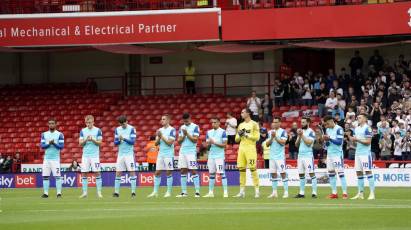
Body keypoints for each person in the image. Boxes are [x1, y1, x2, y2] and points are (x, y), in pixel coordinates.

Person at [234, 108, 260, 198]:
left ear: (248, 113)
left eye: (243, 112)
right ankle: (242, 191)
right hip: (241, 148)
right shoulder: (240, 125)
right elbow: (236, 139)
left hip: (250, 148)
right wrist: (240, 135)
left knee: (253, 169)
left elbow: (257, 137)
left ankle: (257, 191)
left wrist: (246, 135)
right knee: (241, 169)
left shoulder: (254, 124)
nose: (241, 114)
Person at [148, 115, 176, 198]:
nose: (162, 120)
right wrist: (158, 137)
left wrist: (161, 136)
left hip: (168, 154)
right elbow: (156, 144)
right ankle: (155, 192)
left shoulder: (172, 130)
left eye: (164, 119)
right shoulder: (159, 130)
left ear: (168, 120)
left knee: (168, 172)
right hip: (160, 154)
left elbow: (169, 143)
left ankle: (168, 192)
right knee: (157, 172)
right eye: (161, 119)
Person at [350, 113, 375, 200]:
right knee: (359, 173)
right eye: (358, 118)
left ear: (365, 119)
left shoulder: (368, 128)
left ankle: (372, 193)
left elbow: (368, 142)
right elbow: (357, 142)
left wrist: (357, 139)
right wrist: (353, 140)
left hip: (365, 153)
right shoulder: (356, 128)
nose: (358, 119)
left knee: (368, 172)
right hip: (358, 153)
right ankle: (360, 193)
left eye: (360, 117)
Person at [322, 115, 348, 199]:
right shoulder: (328, 129)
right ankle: (334, 193)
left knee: (341, 174)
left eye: (326, 123)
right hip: (329, 154)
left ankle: (344, 193)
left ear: (331, 121)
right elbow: (328, 144)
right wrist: (325, 141)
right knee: (331, 174)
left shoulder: (339, 129)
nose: (326, 125)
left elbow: (339, 142)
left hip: (337, 154)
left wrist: (329, 139)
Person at [203, 117, 229, 198]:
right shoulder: (209, 132)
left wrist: (214, 142)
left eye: (215, 122)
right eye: (212, 122)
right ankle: (210, 192)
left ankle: (225, 192)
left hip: (219, 156)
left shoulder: (223, 132)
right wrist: (208, 144)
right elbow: (207, 146)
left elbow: (224, 145)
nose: (213, 124)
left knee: (222, 173)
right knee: (211, 174)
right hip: (211, 156)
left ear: (218, 123)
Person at [79, 115, 103, 199]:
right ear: (85, 123)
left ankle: (99, 193)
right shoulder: (83, 131)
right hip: (85, 156)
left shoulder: (98, 130)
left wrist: (93, 140)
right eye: (87, 122)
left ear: (93, 122)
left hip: (95, 156)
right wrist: (86, 140)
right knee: (84, 173)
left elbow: (100, 143)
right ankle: (85, 193)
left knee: (97, 173)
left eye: (90, 122)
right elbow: (80, 144)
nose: (89, 124)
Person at [177, 113, 201, 197]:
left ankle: (197, 192)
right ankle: (184, 192)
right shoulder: (182, 127)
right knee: (183, 170)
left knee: (193, 170)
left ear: (190, 118)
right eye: (184, 121)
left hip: (191, 152)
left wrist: (187, 134)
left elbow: (195, 140)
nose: (185, 123)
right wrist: (183, 135)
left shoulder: (195, 127)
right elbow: (179, 141)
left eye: (186, 121)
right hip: (182, 151)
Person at [113, 115, 137, 198]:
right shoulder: (117, 129)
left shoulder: (132, 129)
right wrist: (119, 140)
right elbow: (115, 143)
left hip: (129, 155)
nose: (122, 125)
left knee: (132, 172)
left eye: (124, 124)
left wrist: (124, 139)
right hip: (120, 154)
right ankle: (116, 192)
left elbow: (133, 142)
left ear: (127, 121)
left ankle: (133, 192)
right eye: (121, 124)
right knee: (118, 173)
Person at [40, 118, 64, 198]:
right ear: (48, 124)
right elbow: (42, 146)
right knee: (45, 176)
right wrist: (49, 144)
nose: (51, 125)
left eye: (52, 123)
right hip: (46, 159)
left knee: (57, 176)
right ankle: (46, 193)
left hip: (55, 159)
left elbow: (61, 147)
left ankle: (59, 193)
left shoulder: (60, 134)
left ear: (55, 124)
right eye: (49, 123)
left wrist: (53, 143)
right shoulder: (44, 134)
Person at [265, 117, 289, 199]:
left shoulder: (283, 132)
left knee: (282, 173)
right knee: (273, 174)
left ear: (280, 123)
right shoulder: (270, 132)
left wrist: (275, 137)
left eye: (276, 122)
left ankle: (286, 192)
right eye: (273, 122)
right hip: (272, 156)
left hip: (280, 157)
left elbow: (283, 143)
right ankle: (274, 192)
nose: (274, 123)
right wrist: (272, 137)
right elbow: (267, 144)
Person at [294, 117, 318, 199]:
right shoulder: (301, 131)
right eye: (301, 122)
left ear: (308, 123)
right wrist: (299, 136)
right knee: (301, 174)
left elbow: (309, 143)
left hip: (308, 156)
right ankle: (301, 193)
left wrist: (302, 135)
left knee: (311, 173)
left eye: (303, 122)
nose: (302, 124)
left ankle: (314, 193)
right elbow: (296, 145)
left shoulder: (311, 132)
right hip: (300, 156)